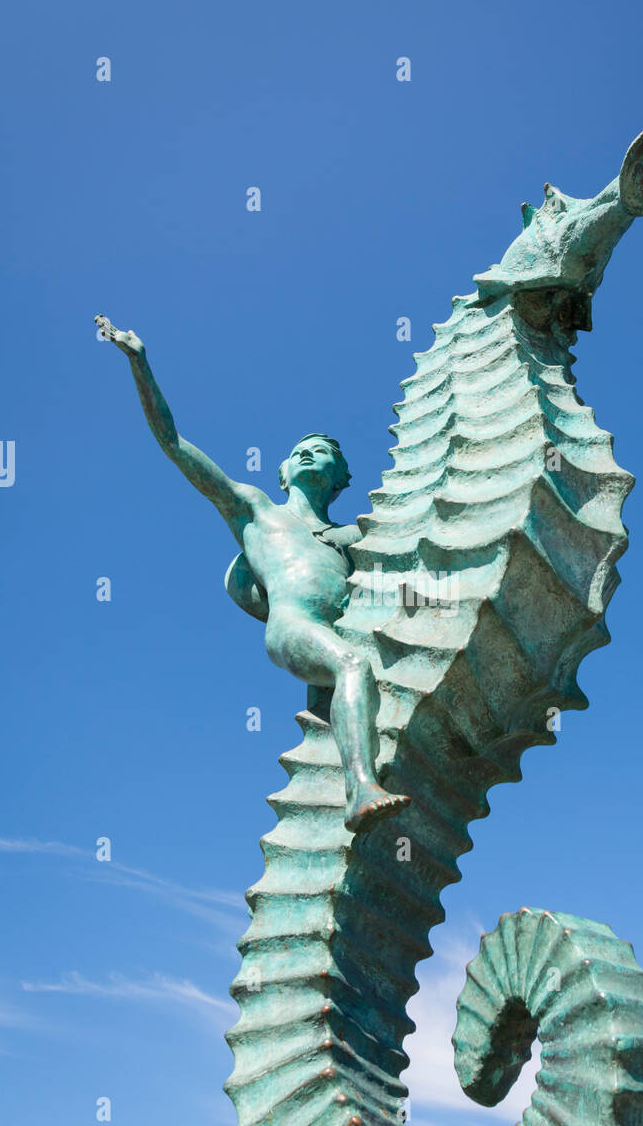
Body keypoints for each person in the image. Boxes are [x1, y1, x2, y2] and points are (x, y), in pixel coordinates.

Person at [95, 315, 410, 834]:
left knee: (353, 693)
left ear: (341, 478)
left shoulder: (355, 537)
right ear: (282, 471)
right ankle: (361, 787)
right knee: (352, 666)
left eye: (325, 451)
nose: (309, 451)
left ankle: (349, 797)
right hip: (293, 626)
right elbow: (173, 443)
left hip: (343, 631)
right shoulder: (256, 510)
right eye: (298, 450)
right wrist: (140, 363)